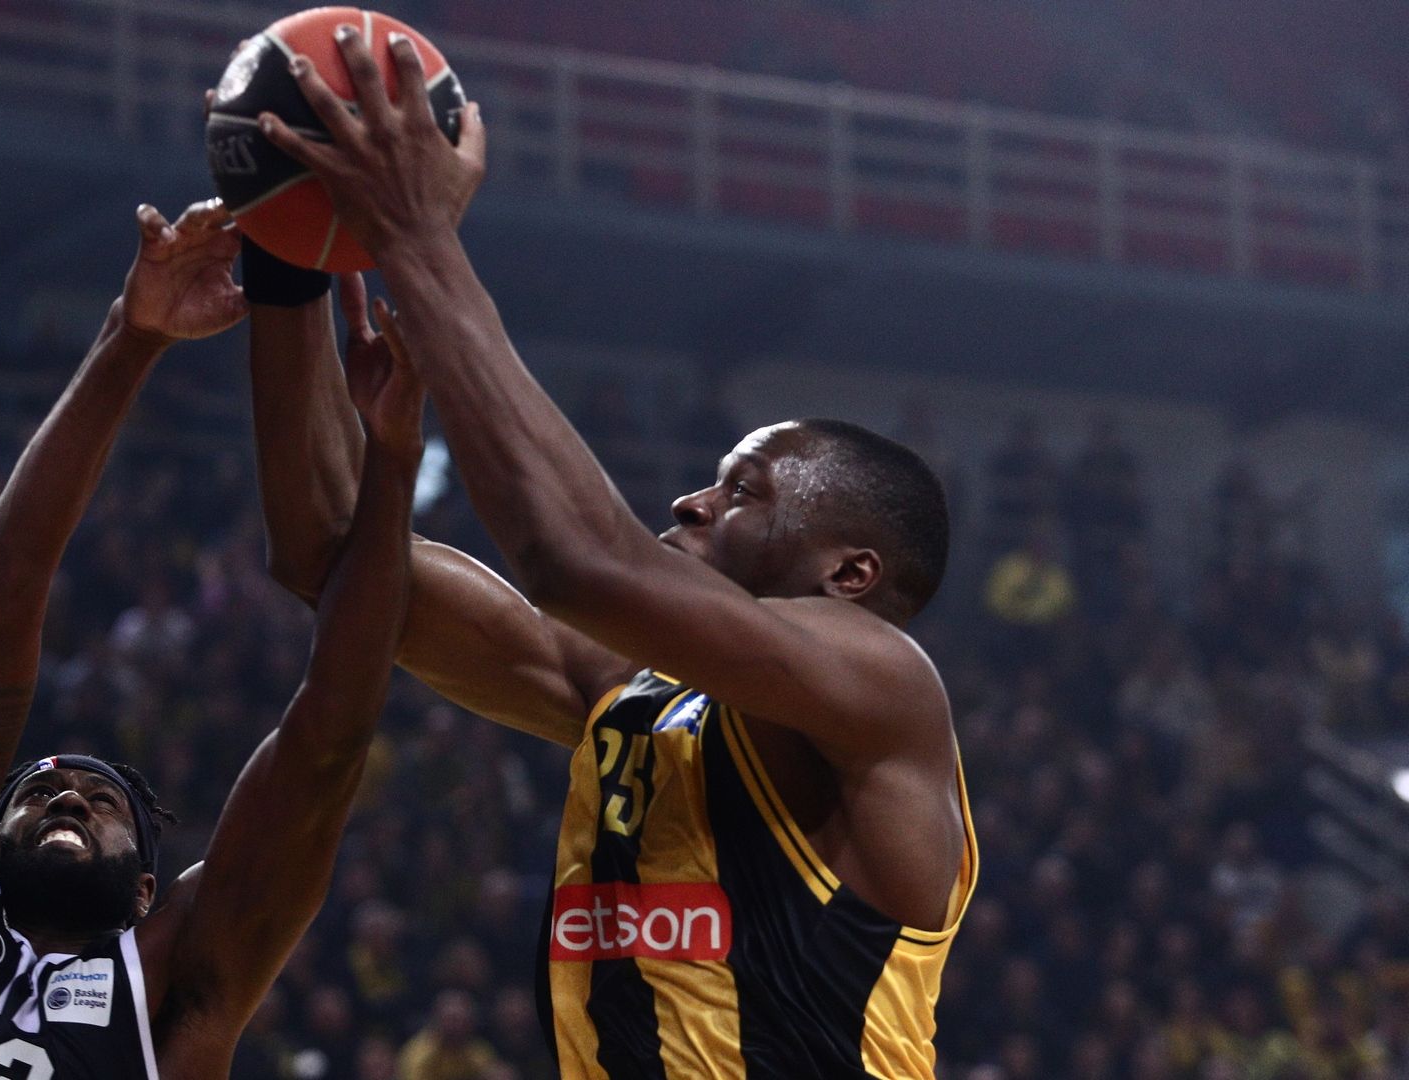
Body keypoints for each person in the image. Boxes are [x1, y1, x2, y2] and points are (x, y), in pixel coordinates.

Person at [247, 29, 975, 1077]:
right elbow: (332, 561)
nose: (691, 500)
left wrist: (414, 235)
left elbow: (579, 561)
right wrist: (285, 252)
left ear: (848, 574)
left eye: (743, 492)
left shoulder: (884, 684)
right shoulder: (628, 695)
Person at [0, 199, 426, 1078]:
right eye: (37, 794)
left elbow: (327, 742)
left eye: (101, 806)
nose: (66, 798)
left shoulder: (174, 1000)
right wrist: (128, 338)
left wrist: (392, 463)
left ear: (145, 890)